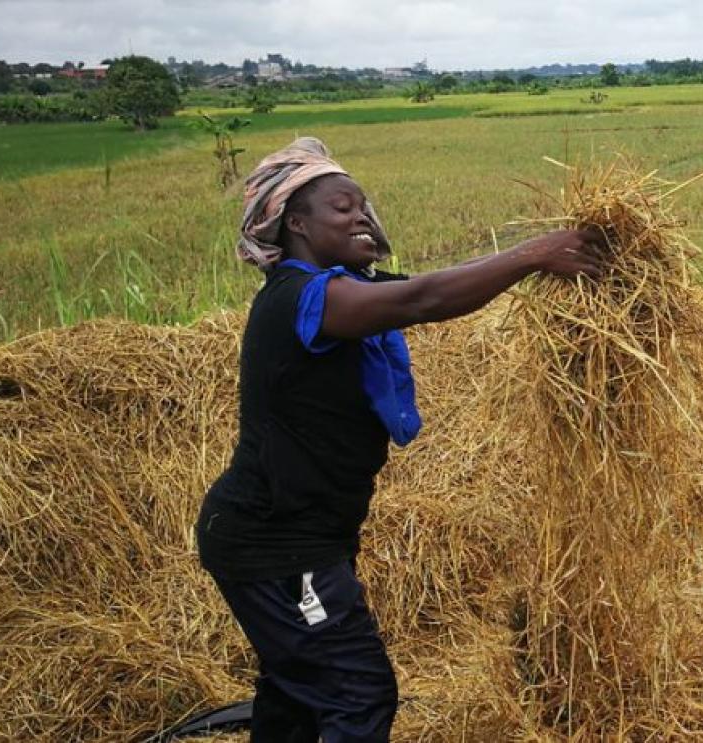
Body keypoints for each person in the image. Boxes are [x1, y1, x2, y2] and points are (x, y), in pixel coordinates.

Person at [194, 137, 608, 742]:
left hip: (301, 535)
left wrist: (546, 260)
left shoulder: (337, 289)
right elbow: (421, 299)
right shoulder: (300, 298)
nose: (362, 216)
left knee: (295, 688)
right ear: (296, 223)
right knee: (356, 691)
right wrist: (536, 254)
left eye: (364, 205)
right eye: (342, 207)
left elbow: (441, 285)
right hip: (277, 546)